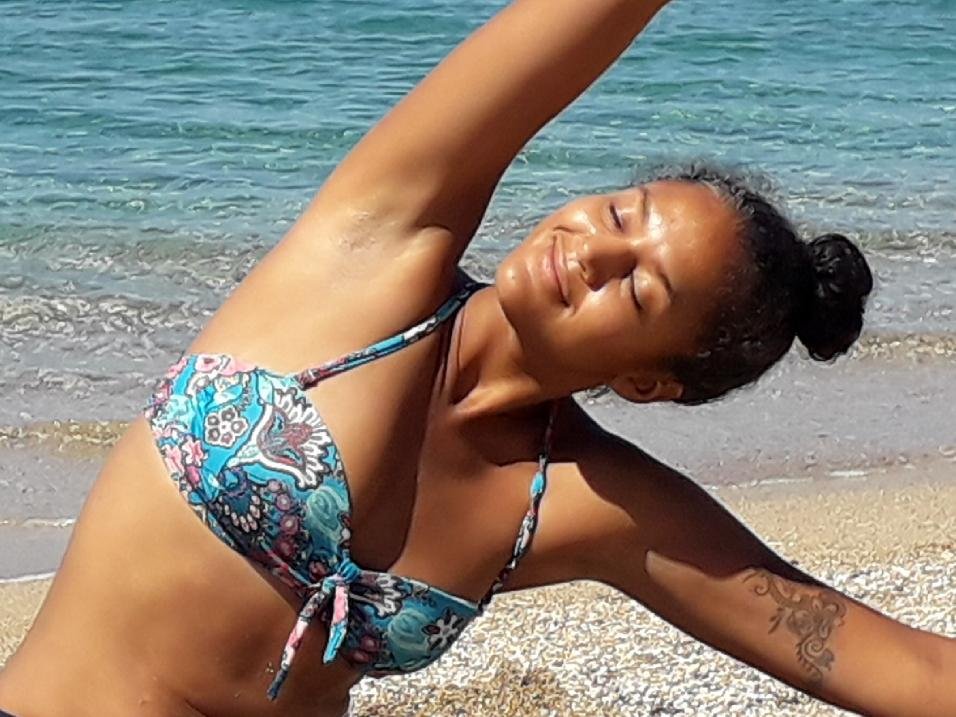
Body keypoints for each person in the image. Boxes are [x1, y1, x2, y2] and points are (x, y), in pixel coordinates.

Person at [0, 0, 952, 715]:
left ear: (647, 381)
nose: (592, 248)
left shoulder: (583, 499)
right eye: (619, 213)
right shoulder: (378, 246)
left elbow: (882, 660)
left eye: (637, 288)